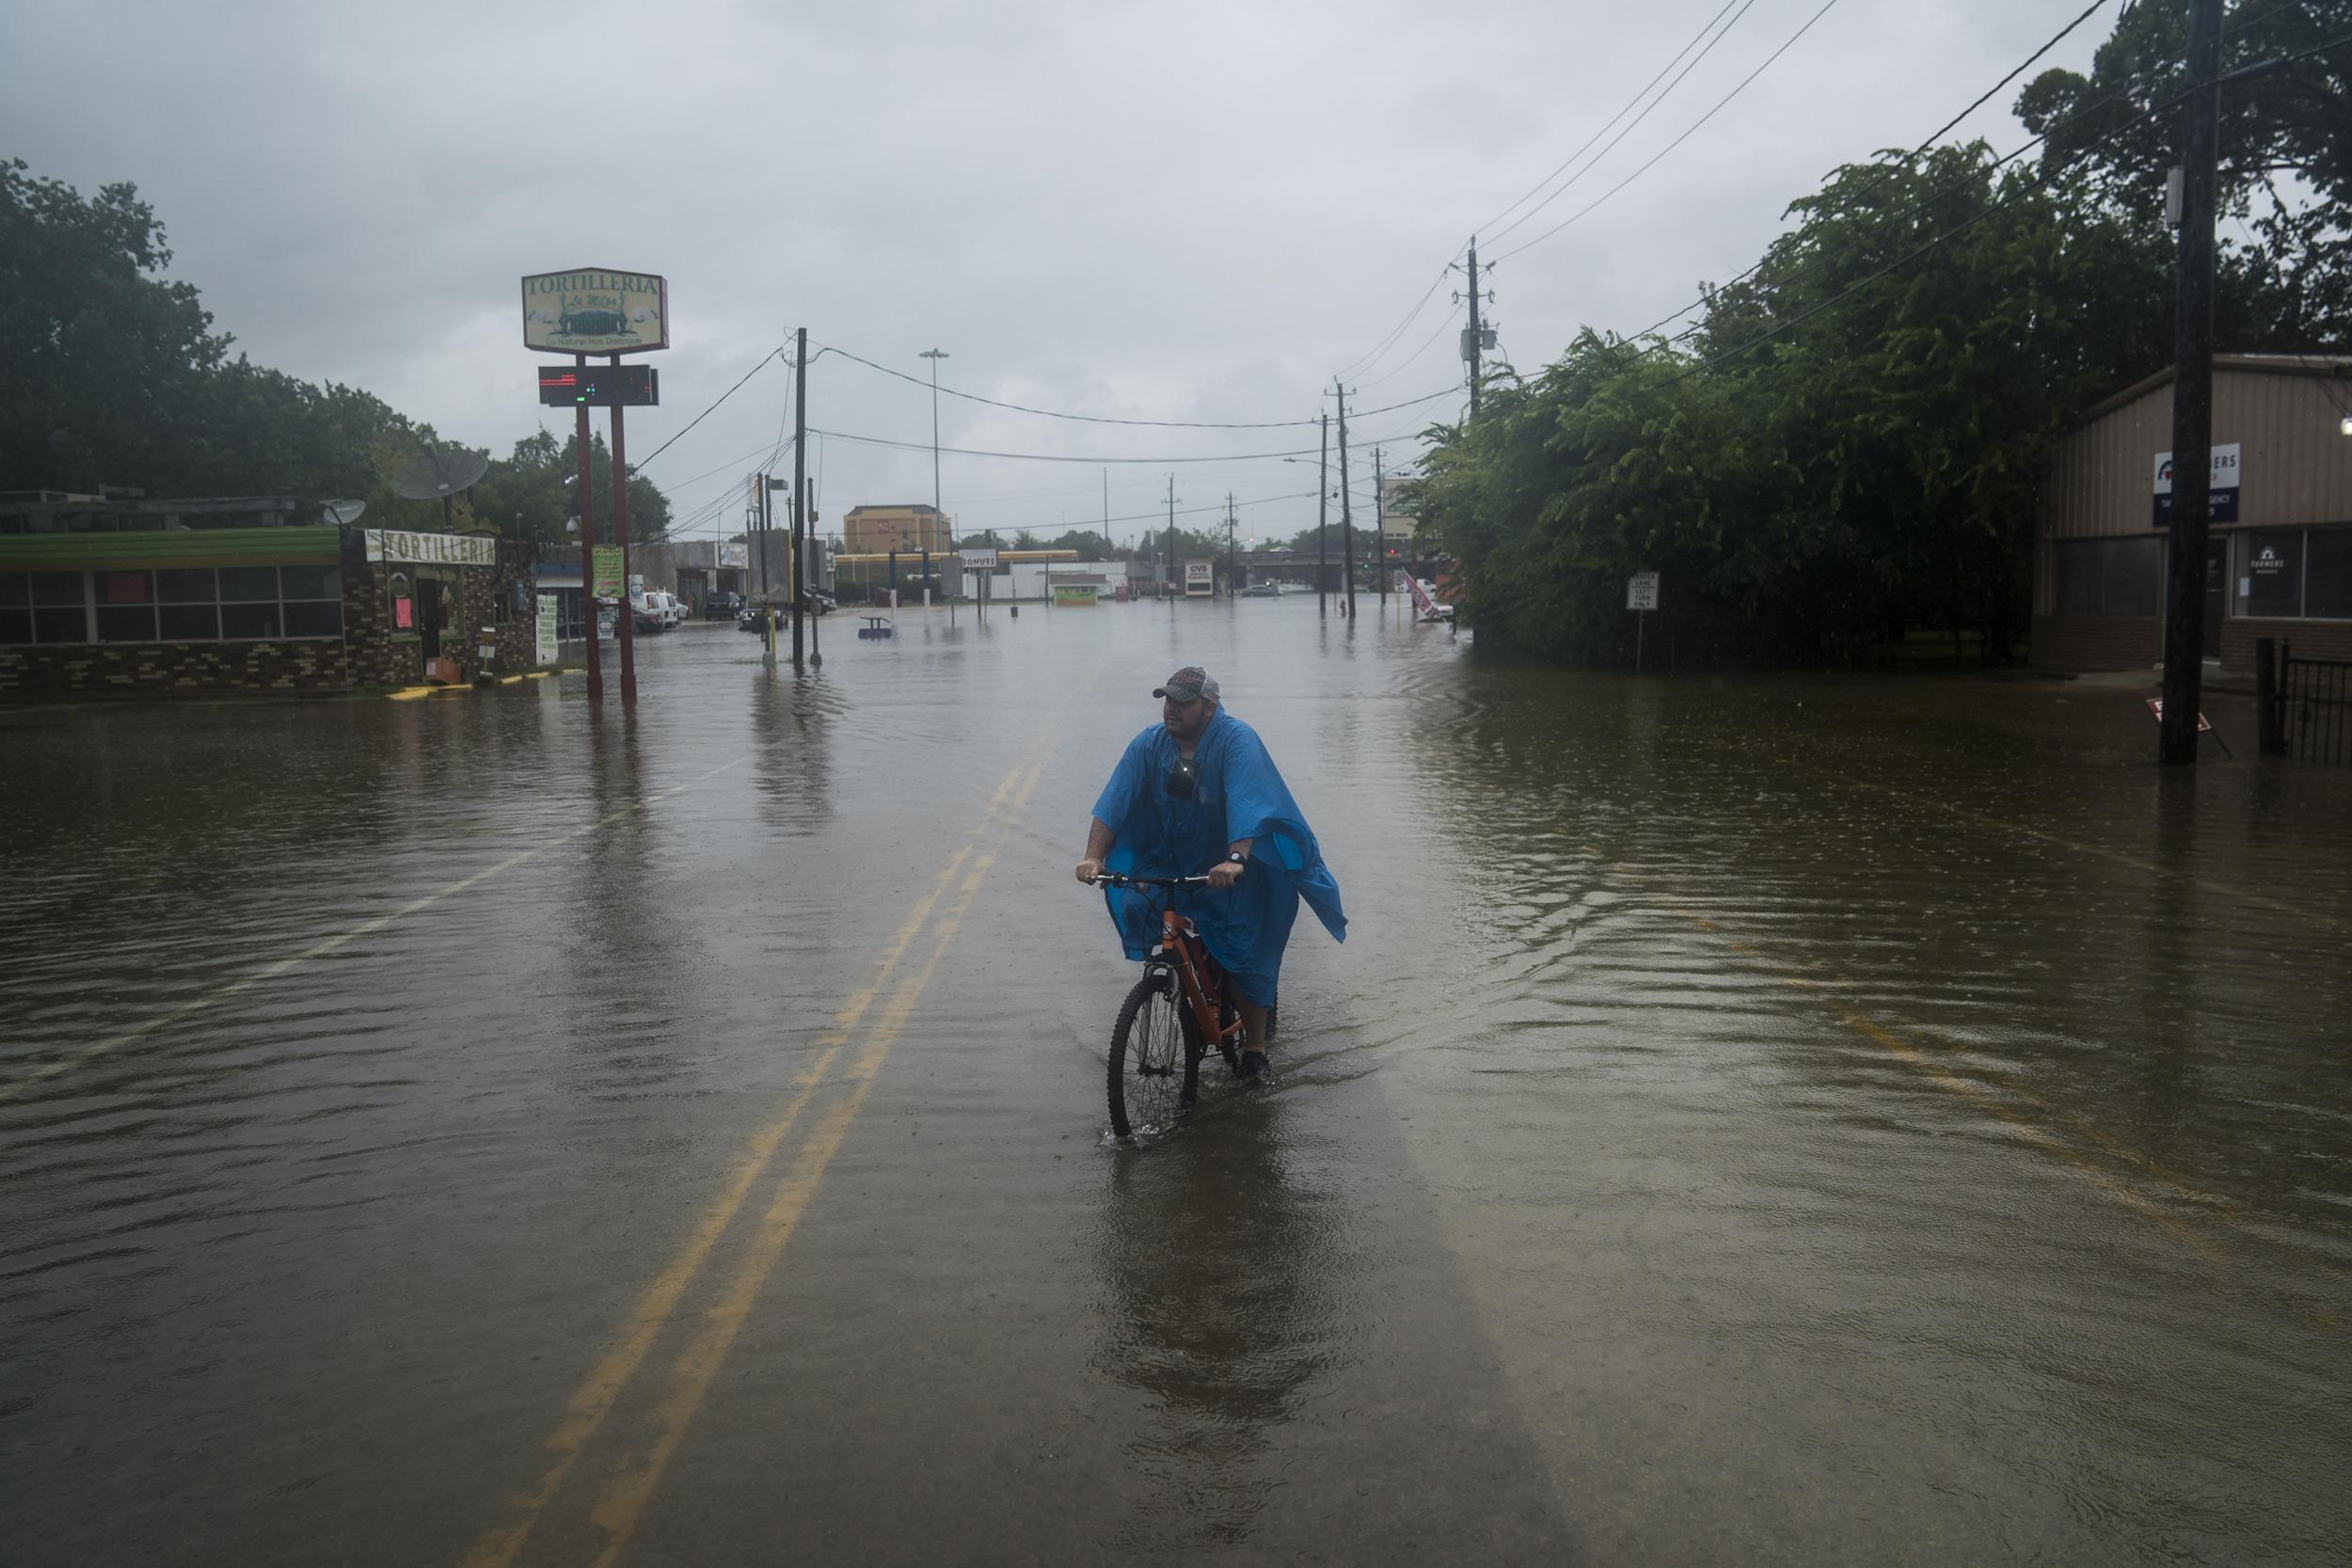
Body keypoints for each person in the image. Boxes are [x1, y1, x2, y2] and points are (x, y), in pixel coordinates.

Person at [1074, 666, 1345, 1084]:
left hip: (1233, 867)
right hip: (1172, 860)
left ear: (1209, 706)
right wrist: (1094, 857)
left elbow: (1248, 798)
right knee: (1139, 901)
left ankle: (1254, 1051)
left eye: (1182, 702)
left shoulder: (1237, 741)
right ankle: (1182, 987)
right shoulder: (1148, 745)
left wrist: (1236, 857)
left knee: (1244, 956)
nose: (1172, 710)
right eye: (1168, 700)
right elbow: (1115, 800)